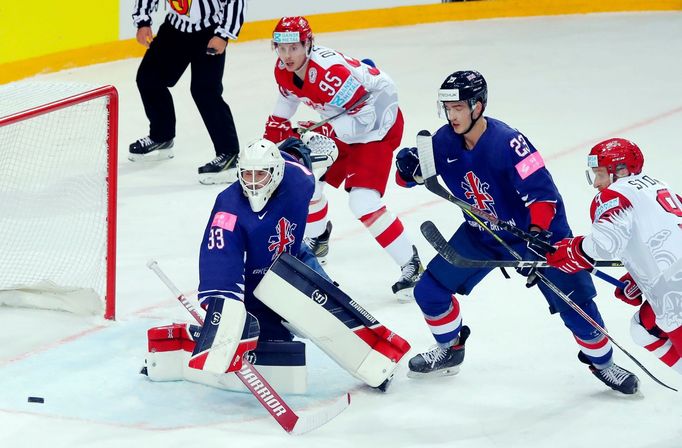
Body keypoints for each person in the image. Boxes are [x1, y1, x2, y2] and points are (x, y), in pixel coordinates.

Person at [394, 70, 639, 394]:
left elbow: (543, 195)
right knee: (429, 290)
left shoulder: (511, 144)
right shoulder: (442, 141)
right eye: (447, 109)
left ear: (477, 106)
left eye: (458, 108)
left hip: (537, 234)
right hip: (480, 231)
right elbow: (407, 181)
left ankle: (604, 363)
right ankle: (450, 349)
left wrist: (537, 235)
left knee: (576, 303)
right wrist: (407, 168)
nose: (452, 116)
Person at [261, 16, 423, 300]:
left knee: (363, 202)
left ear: (308, 44)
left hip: (376, 126)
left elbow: (366, 117)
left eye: (294, 48)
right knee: (307, 181)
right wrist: (275, 124)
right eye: (281, 49)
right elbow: (289, 96)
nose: (287, 56)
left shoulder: (329, 72)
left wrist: (324, 128)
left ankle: (412, 264)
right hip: (340, 122)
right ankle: (319, 239)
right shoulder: (283, 68)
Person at [544, 138, 682, 373]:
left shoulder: (614, 194)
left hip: (676, 297)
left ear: (621, 171)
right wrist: (641, 276)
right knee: (642, 329)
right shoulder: (658, 185)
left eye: (600, 174)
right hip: (673, 284)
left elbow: (606, 244)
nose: (597, 183)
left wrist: (573, 250)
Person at [130, 0, 245, 185]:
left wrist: (224, 34)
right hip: (175, 28)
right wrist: (143, 21)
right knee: (149, 79)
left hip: (210, 31)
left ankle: (228, 154)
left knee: (205, 91)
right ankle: (162, 136)